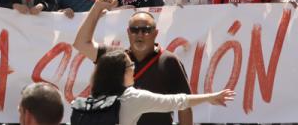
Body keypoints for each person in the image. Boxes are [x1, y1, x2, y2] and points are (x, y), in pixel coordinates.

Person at [74, 0, 194, 125]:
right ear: (128, 32)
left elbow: (185, 106)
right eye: (134, 29)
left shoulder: (169, 61)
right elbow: (81, 43)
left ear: (155, 33)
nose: (140, 34)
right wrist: (97, 7)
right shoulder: (115, 59)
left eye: (146, 30)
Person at [72, 49, 233, 125]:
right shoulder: (132, 98)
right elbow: (178, 101)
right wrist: (210, 97)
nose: (134, 68)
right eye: (131, 66)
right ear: (122, 73)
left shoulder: (91, 101)